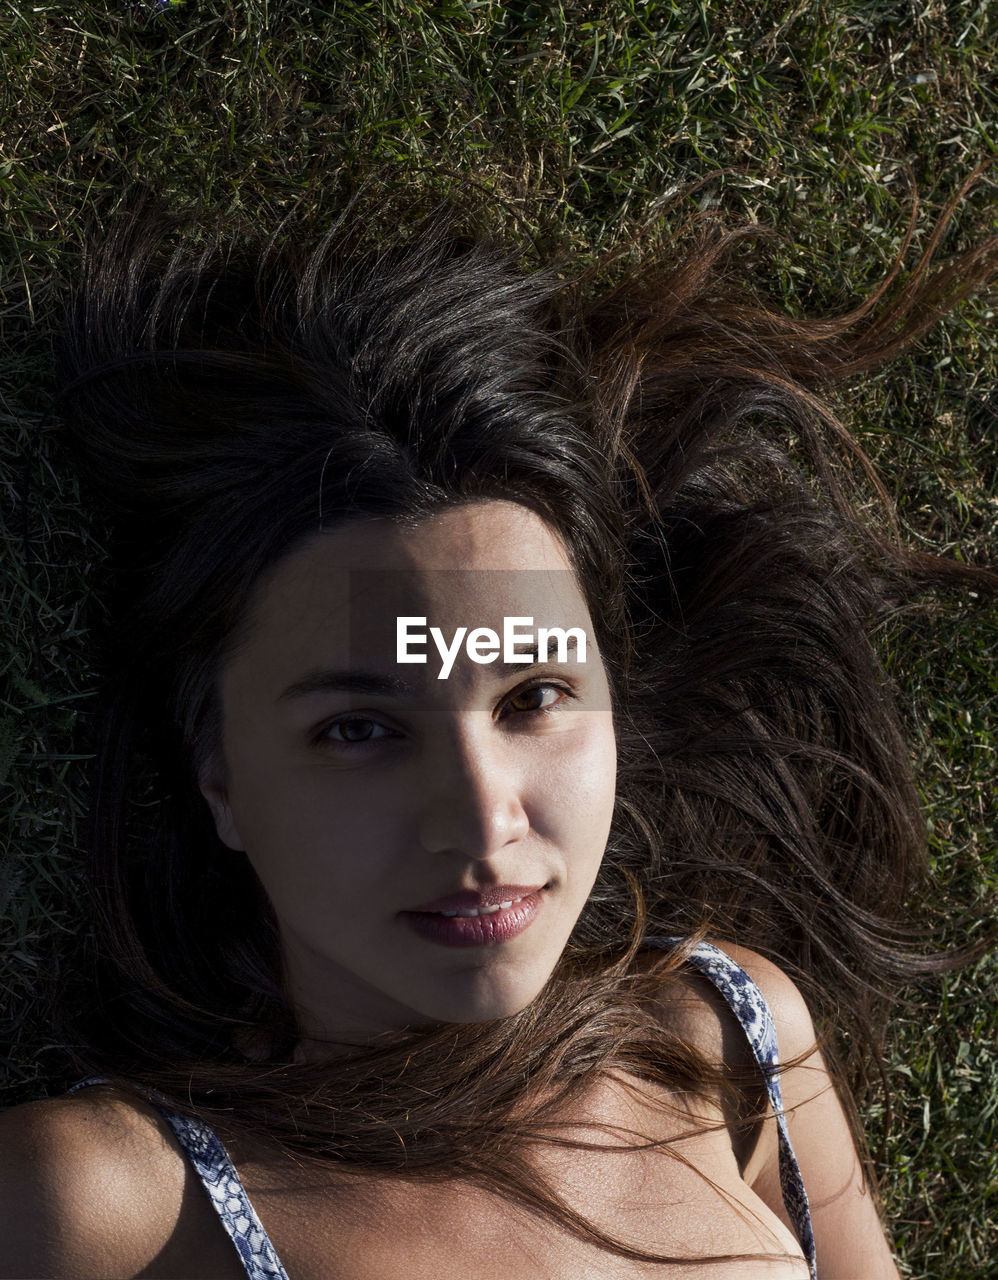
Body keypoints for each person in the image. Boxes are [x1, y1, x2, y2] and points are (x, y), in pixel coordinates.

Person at [1, 174, 995, 1280]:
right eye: (360, 728)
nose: (481, 820)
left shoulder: (729, 1031)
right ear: (217, 774)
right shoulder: (104, 1205)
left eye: (531, 697)